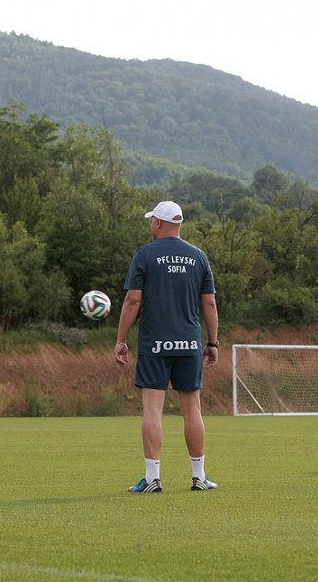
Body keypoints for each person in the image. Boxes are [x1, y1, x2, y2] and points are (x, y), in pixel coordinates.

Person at [114, 200, 219, 492]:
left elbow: (133, 300)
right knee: (192, 410)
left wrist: (121, 340)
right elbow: (209, 303)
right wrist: (212, 342)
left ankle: (152, 479)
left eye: (152, 221)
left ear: (158, 223)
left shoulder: (145, 254)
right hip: (189, 343)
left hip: (154, 344)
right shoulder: (198, 257)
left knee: (152, 411)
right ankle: (199, 477)